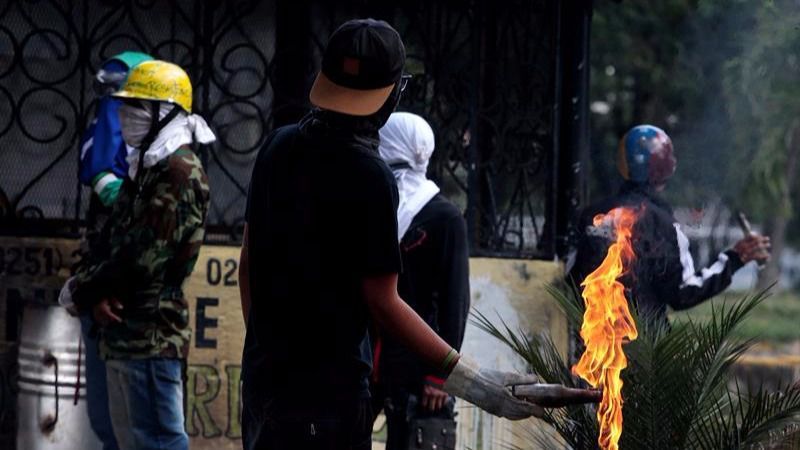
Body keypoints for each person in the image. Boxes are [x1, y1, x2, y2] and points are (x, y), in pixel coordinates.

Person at [239, 18, 600, 450]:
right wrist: (474, 382)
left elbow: (248, 265)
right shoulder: (369, 175)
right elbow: (383, 302)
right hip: (328, 396)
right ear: (392, 95)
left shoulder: (277, 146)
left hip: (264, 385)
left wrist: (266, 353)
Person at [68, 59, 215, 450]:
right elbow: (117, 238)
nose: (126, 114)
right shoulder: (147, 166)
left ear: (164, 112)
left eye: (137, 106)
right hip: (125, 331)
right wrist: (95, 291)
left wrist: (84, 288)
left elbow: (143, 258)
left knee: (157, 441)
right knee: (128, 440)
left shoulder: (178, 172)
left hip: (151, 333)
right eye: (126, 105)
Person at [567, 124, 771, 328]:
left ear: (623, 164)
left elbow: (571, 278)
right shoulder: (664, 226)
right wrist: (735, 258)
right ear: (666, 168)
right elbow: (683, 293)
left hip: (591, 339)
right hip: (642, 341)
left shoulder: (592, 215)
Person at [61, 51, 153, 450]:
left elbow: (146, 242)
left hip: (128, 306)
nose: (118, 112)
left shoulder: (164, 165)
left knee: (134, 423)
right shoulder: (103, 143)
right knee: (106, 419)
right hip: (102, 298)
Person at [369, 112, 469, 450]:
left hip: (416, 363)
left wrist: (439, 376)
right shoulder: (377, 207)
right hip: (368, 358)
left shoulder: (444, 217)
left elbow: (455, 301)